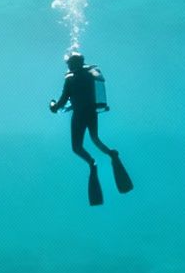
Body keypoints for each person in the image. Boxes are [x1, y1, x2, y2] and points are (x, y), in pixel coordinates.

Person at [49, 51, 132, 204]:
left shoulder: (70, 80)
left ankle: (92, 163)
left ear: (72, 64)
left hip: (79, 115)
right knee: (95, 138)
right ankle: (112, 154)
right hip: (92, 113)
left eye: (68, 63)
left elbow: (61, 103)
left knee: (77, 147)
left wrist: (52, 105)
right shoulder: (90, 76)